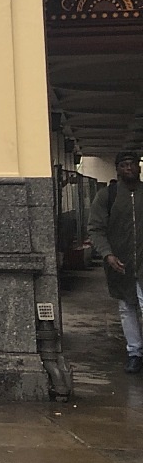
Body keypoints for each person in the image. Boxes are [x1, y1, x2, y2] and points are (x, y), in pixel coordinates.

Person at [87, 150, 143, 374]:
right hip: (120, 263)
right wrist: (107, 254)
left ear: (139, 167)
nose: (128, 168)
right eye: (123, 165)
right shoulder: (106, 196)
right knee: (127, 307)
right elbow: (96, 229)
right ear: (117, 169)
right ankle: (134, 352)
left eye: (132, 164)